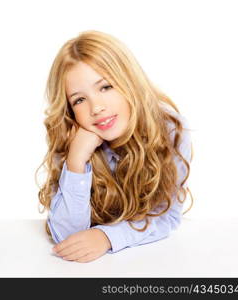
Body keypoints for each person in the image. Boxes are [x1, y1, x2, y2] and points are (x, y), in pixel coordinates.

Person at [35, 30, 194, 263]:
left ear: (129, 81)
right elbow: (68, 238)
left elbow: (167, 217)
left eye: (105, 87)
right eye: (79, 100)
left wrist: (108, 236)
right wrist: (76, 162)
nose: (96, 107)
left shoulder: (170, 129)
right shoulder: (75, 139)